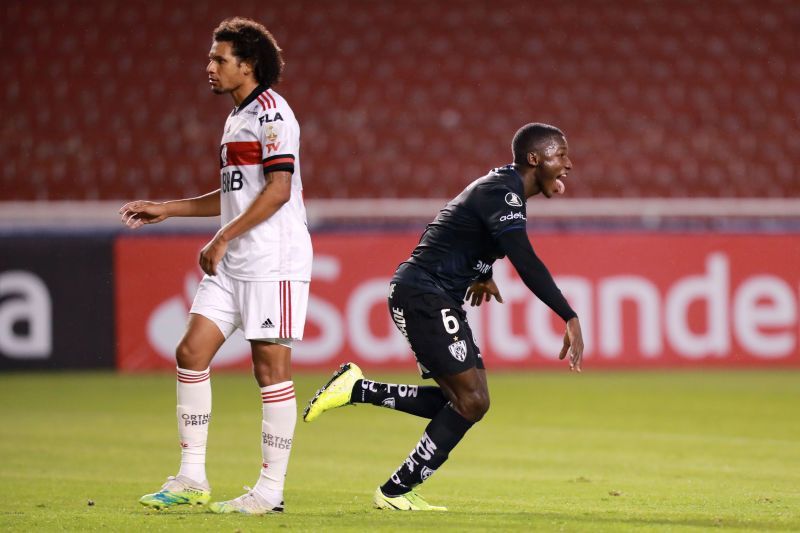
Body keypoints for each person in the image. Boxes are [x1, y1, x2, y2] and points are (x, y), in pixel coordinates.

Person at [303, 123, 584, 511]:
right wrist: (567, 315)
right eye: (561, 154)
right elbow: (524, 258)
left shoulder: (503, 190)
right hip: (424, 294)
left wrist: (483, 273)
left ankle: (357, 390)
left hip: (433, 295)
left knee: (470, 401)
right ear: (534, 159)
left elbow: (463, 228)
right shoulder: (502, 192)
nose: (569, 164)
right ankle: (395, 491)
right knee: (470, 402)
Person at [119, 17, 311, 515]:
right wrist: (170, 208)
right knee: (190, 351)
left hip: (274, 260)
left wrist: (222, 237)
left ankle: (270, 491)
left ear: (247, 66)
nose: (209, 66)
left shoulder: (273, 115)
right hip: (235, 259)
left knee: (270, 371)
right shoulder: (236, 118)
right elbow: (233, 196)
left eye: (219, 58)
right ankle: (191, 477)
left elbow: (278, 190)